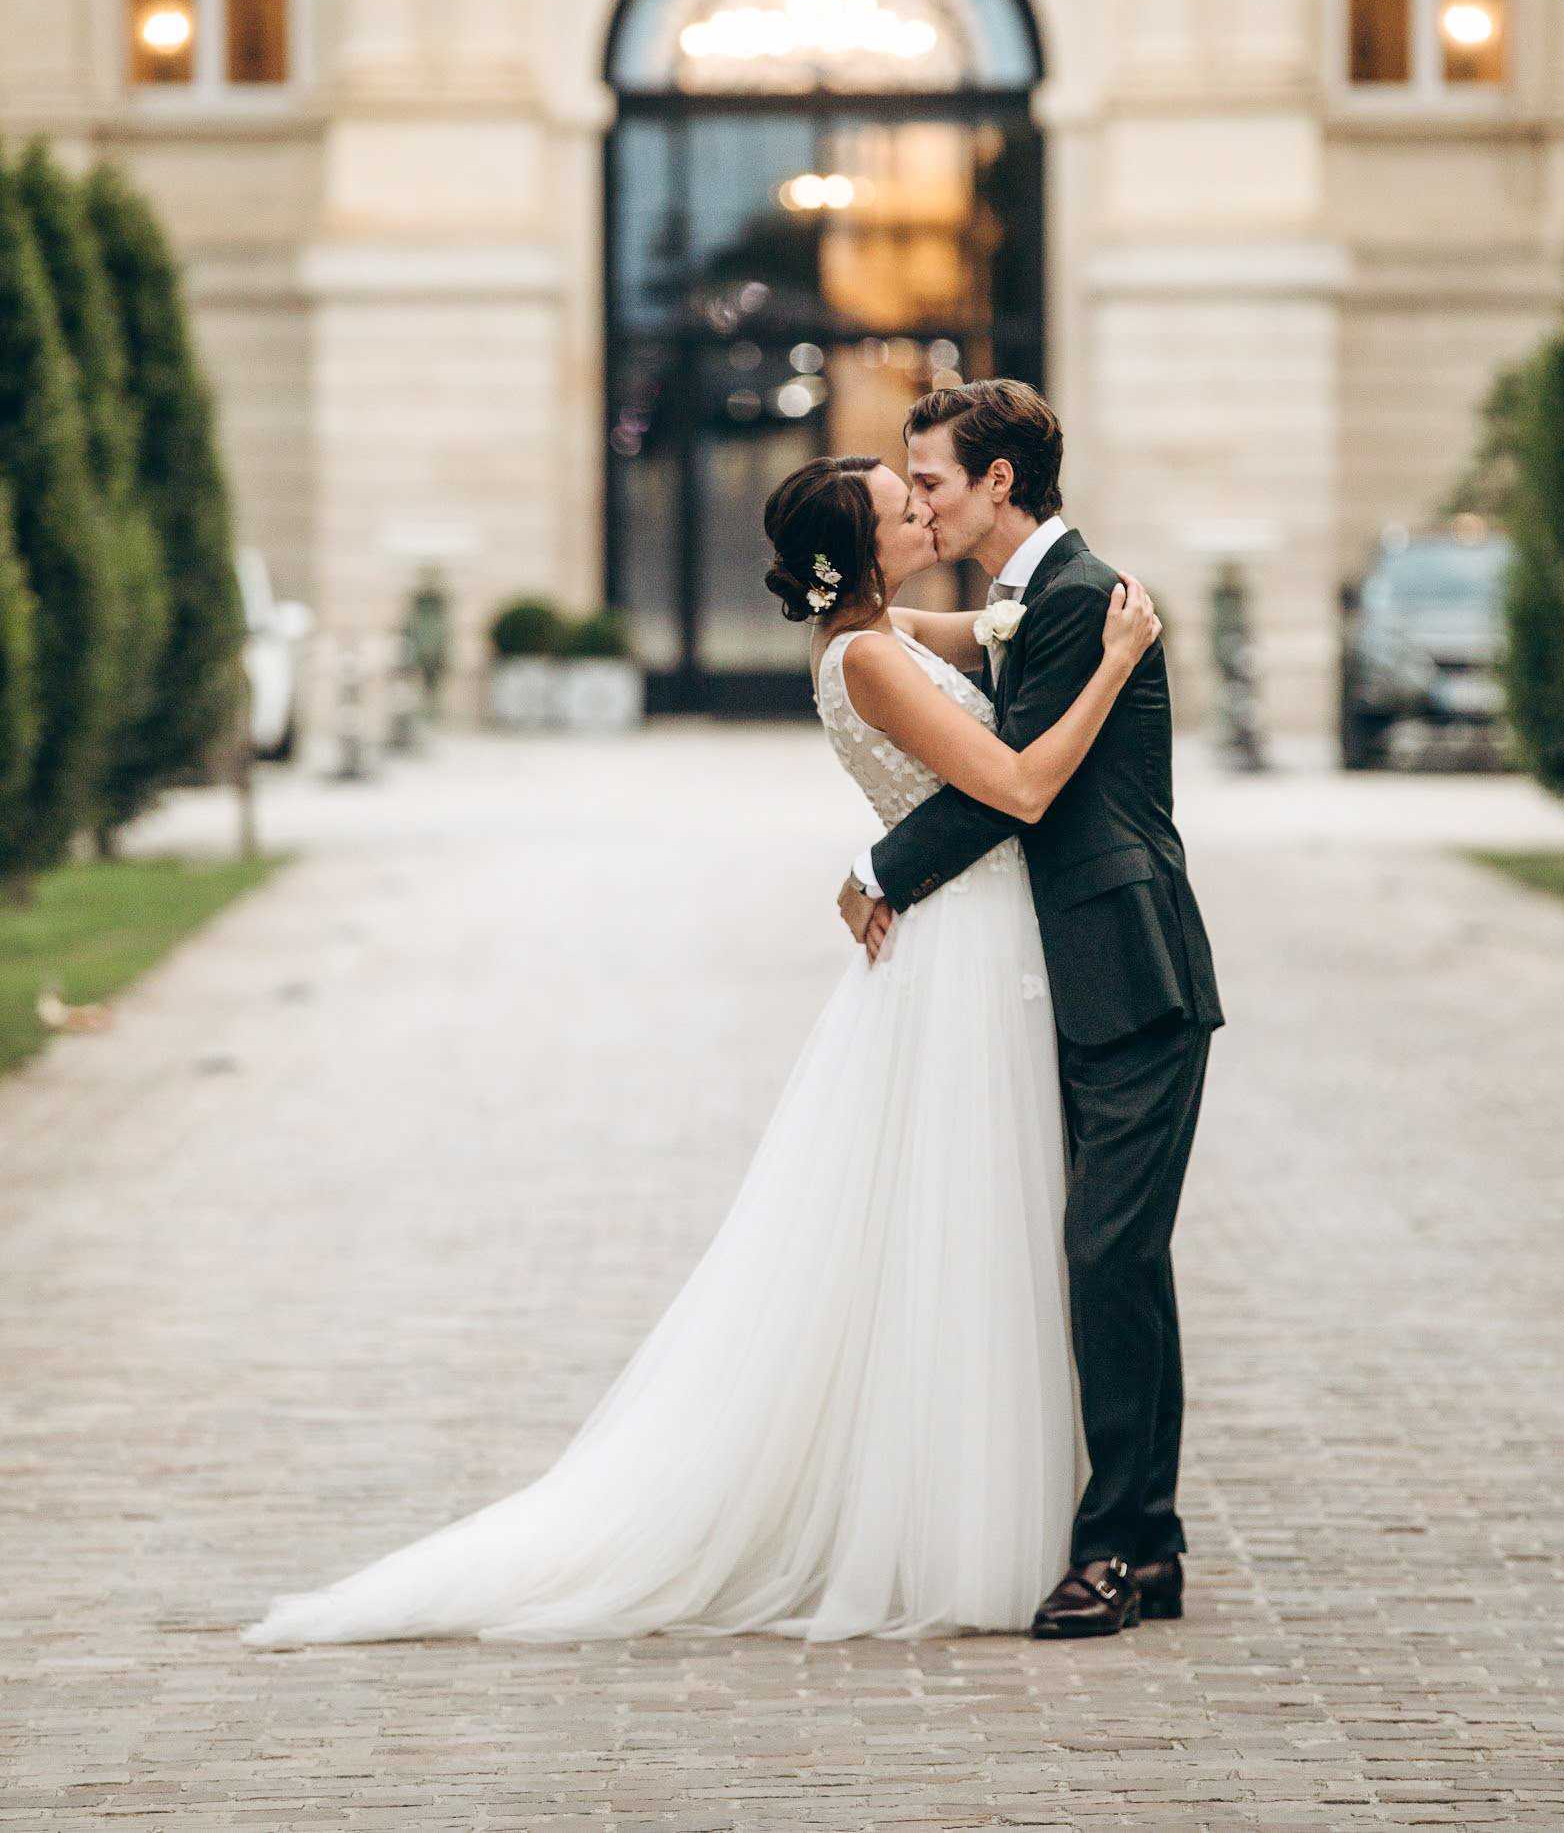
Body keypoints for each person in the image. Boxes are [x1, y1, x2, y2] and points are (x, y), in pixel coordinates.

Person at [243, 449, 1158, 1646]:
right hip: (966, 955)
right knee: (964, 1224)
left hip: (978, 940)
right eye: (899, 507)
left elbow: (985, 627)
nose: (921, 509)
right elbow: (1023, 785)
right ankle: (955, 1530)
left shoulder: (879, 634)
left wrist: (1024, 617)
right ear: (861, 549)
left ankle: (1008, 1508)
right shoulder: (872, 658)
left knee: (976, 1223)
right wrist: (1116, 662)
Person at [838, 378, 1223, 1639]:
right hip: (1080, 970)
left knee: (1103, 1254)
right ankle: (1150, 1543)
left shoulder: (1076, 601)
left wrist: (877, 869)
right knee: (1124, 1262)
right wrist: (873, 624)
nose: (926, 503)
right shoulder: (1032, 602)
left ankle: (1112, 1547)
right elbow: (940, 647)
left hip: (1132, 970)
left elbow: (1015, 790)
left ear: (998, 481)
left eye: (934, 482)